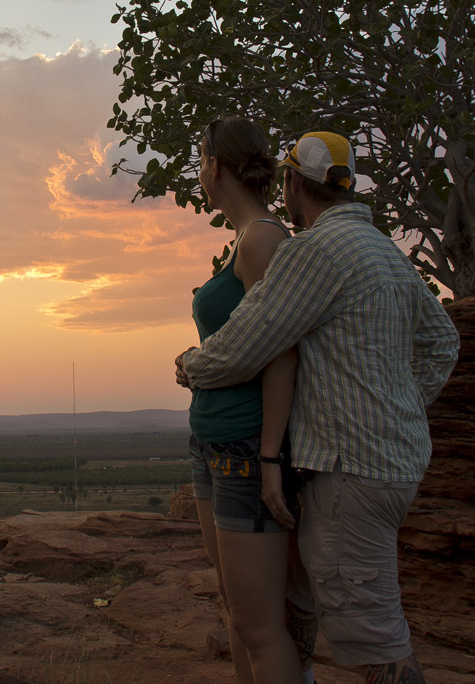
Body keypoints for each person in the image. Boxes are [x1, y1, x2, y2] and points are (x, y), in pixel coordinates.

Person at [176, 131, 460, 684]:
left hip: (352, 467)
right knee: (303, 608)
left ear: (292, 182)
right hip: (391, 462)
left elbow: (253, 342)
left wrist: (193, 365)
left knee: (377, 638)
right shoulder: (380, 247)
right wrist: (400, 409)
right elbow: (441, 342)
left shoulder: (316, 251)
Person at [183, 117, 314, 684]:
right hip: (214, 442)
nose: (199, 172)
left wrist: (269, 457)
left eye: (200, 160)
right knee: (237, 609)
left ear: (215, 167)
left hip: (244, 446)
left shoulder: (263, 240)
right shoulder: (246, 239)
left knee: (261, 625)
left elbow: (283, 354)